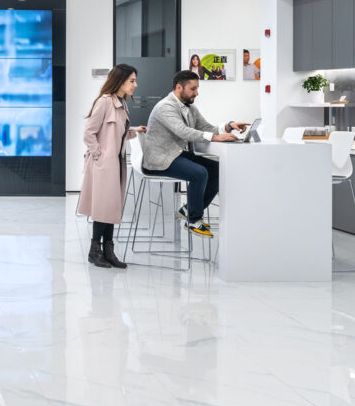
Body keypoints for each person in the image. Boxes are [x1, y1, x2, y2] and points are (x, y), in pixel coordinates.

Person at [141, 70, 249, 237]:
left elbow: (206, 128)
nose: (196, 93)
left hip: (175, 154)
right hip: (160, 160)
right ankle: (193, 221)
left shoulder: (190, 108)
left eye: (197, 89)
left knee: (218, 170)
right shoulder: (165, 107)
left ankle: (188, 210)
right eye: (193, 89)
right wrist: (216, 138)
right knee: (200, 173)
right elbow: (183, 131)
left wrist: (228, 125)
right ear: (179, 87)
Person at [78, 64, 146, 268]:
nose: (135, 84)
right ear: (120, 80)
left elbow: (117, 132)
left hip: (116, 162)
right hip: (105, 164)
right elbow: (88, 133)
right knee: (103, 207)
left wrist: (134, 130)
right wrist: (100, 156)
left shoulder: (121, 103)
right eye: (132, 80)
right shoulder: (104, 102)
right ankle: (94, 251)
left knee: (111, 207)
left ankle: (108, 251)